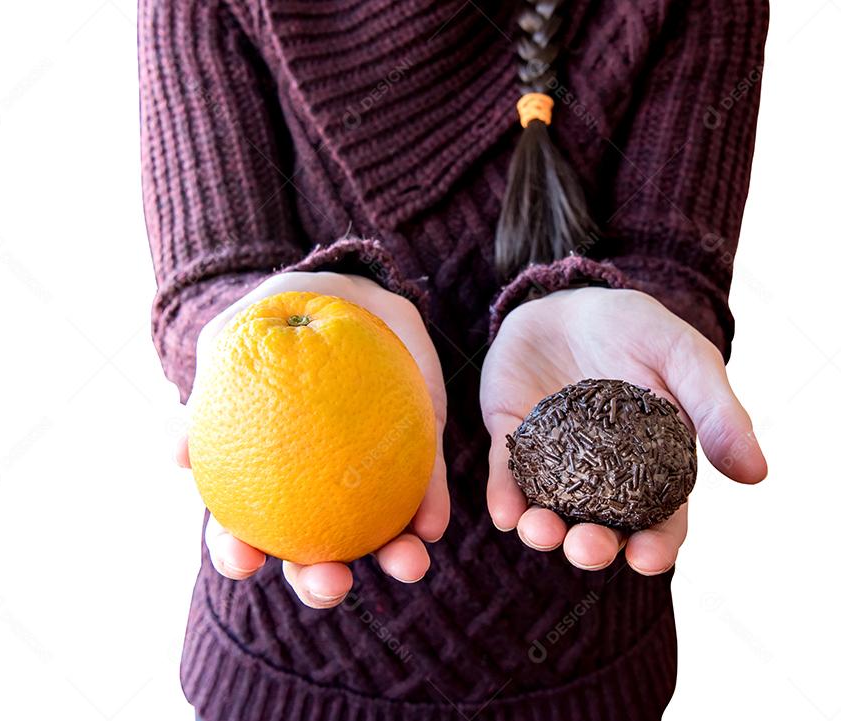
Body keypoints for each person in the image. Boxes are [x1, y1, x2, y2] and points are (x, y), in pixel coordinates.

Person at [139, 0, 769, 718]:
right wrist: (291, 316)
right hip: (285, 650)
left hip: (584, 655)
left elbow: (676, 259)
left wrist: (629, 309)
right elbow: (204, 283)